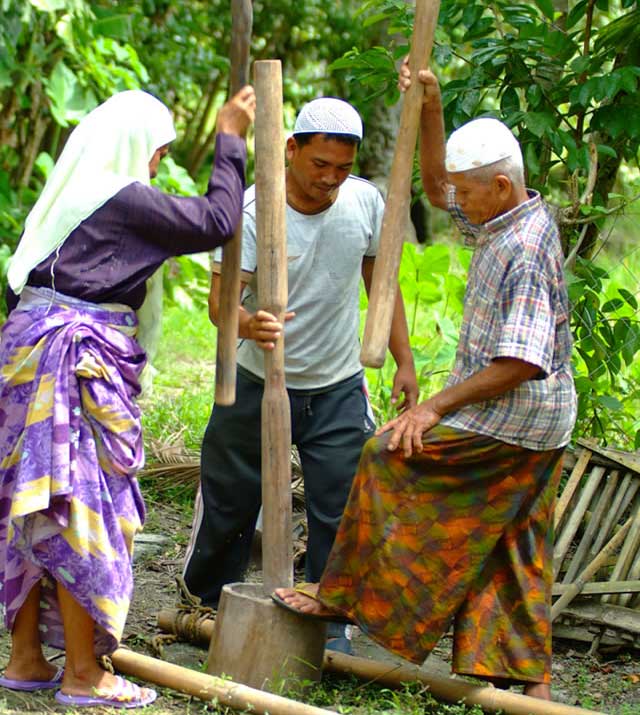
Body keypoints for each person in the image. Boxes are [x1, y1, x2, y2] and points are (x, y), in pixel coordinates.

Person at [273, 66, 577, 702]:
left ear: (499, 185)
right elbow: (439, 186)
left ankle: (345, 597)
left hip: (514, 419)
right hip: (540, 425)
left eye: (467, 194)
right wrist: (433, 108)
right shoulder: (503, 213)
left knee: (388, 457)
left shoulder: (525, 246)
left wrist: (432, 409)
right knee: (511, 548)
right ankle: (531, 688)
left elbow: (521, 361)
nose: (453, 203)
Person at [0, 85, 255, 708]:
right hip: (77, 361)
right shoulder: (120, 198)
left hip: (26, 353)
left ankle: (27, 658)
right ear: (134, 148)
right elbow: (218, 221)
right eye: (157, 155)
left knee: (38, 506)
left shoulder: (60, 205)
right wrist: (230, 139)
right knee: (82, 511)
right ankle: (84, 674)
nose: (155, 170)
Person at [183, 97, 419, 653]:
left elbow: (381, 284)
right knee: (230, 500)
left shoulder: (363, 202)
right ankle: (205, 609)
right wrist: (251, 323)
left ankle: (328, 623)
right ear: (291, 149)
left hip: (336, 385)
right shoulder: (249, 210)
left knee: (338, 506)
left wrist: (404, 360)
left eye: (343, 167)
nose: (331, 179)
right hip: (254, 382)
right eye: (320, 165)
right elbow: (221, 306)